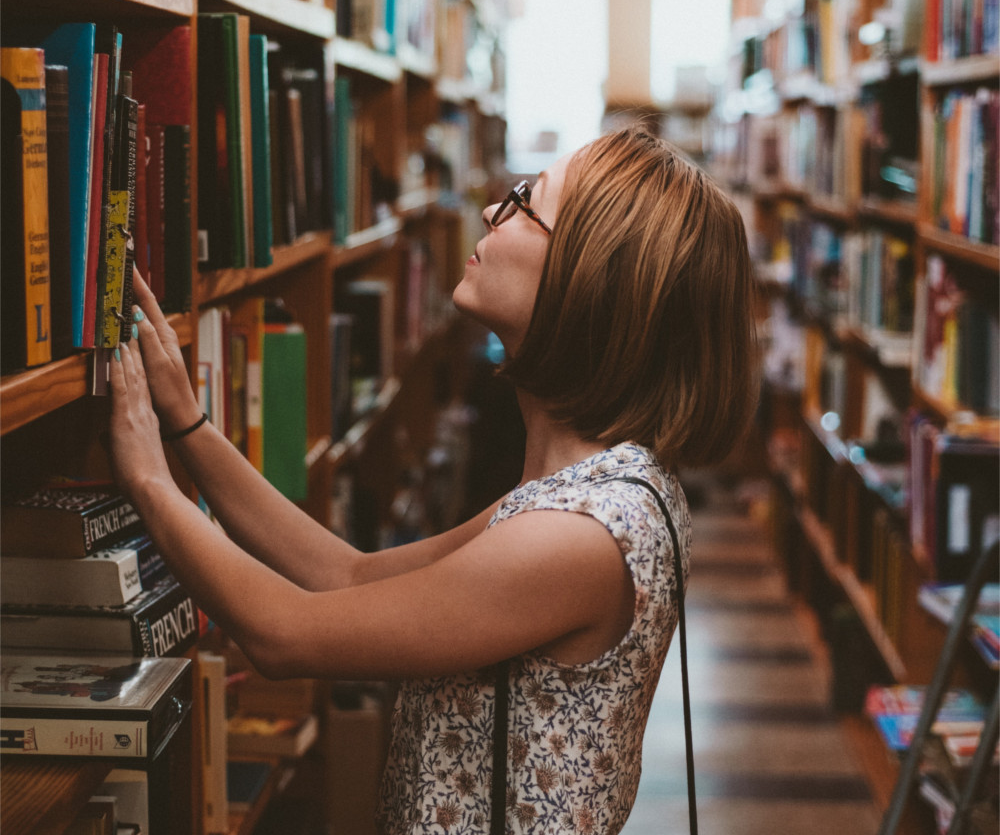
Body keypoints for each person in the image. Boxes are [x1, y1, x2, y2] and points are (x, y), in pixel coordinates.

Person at [108, 125, 759, 834]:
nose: (490, 213)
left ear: (588, 278)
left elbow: (281, 635)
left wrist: (147, 480)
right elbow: (347, 575)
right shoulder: (586, 491)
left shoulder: (577, 536)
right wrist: (188, 428)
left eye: (523, 203)